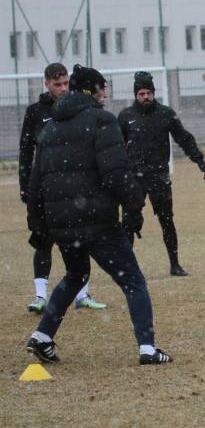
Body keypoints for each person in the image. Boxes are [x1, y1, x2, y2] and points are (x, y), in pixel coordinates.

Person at [25, 65, 172, 365]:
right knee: (133, 280)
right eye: (102, 87)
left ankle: (42, 336)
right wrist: (134, 209)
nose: (106, 93)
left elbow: (36, 182)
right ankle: (147, 348)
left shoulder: (51, 127)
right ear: (92, 90)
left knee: (75, 275)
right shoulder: (102, 120)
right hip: (97, 221)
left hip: (63, 224)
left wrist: (38, 225)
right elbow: (117, 173)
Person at [18, 63, 106, 313]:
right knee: (43, 241)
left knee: (79, 239)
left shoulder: (74, 108)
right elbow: (26, 153)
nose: (63, 88)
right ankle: (40, 296)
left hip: (74, 189)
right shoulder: (36, 112)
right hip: (46, 188)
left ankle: (83, 294)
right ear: (46, 83)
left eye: (66, 83)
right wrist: (26, 187)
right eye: (57, 84)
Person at [117, 71, 205, 276]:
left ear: (153, 93)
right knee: (129, 222)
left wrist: (198, 159)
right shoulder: (125, 117)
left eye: (148, 93)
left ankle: (175, 264)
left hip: (159, 175)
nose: (146, 97)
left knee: (167, 220)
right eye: (141, 93)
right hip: (134, 178)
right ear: (136, 95)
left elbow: (183, 138)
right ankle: (126, 268)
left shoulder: (165, 114)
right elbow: (115, 147)